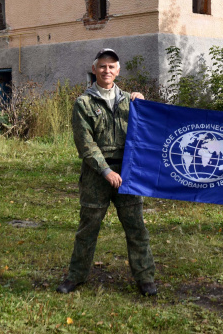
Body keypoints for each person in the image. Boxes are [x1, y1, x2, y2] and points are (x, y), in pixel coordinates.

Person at [57, 48, 157, 296]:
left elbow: (148, 132)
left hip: (128, 173)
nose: (107, 70)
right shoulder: (84, 103)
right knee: (87, 229)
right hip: (96, 175)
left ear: (118, 70)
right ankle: (76, 277)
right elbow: (85, 144)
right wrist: (105, 171)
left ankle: (145, 279)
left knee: (136, 228)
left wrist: (143, 106)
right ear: (94, 69)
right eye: (102, 66)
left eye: (112, 66)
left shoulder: (131, 101)